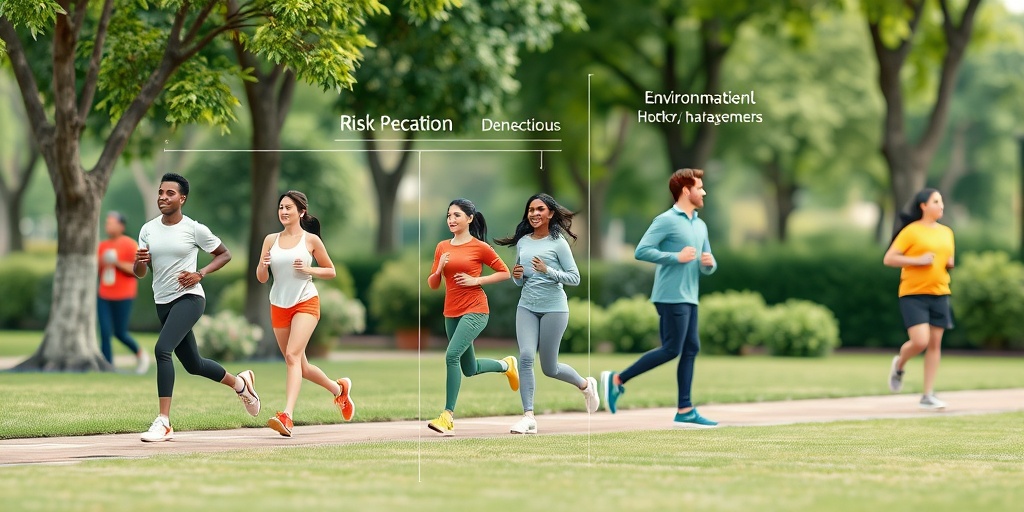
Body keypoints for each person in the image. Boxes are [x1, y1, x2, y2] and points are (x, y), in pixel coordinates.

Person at [133, 173, 260, 442]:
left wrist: (200, 273)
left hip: (190, 298)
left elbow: (225, 254)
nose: (163, 197)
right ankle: (241, 384)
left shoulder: (193, 229)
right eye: (160, 192)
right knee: (193, 364)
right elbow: (140, 273)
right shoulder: (147, 229)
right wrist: (140, 262)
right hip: (163, 301)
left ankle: (164, 422)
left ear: (182, 198)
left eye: (170, 193)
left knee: (162, 350)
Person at [600, 168, 719, 428]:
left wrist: (709, 263)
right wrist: (674, 257)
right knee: (672, 348)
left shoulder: (700, 224)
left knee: (690, 349)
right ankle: (618, 379)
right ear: (686, 191)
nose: (703, 192)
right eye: (699, 187)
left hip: (690, 296)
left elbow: (706, 263)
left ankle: (685, 410)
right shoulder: (666, 220)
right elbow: (642, 251)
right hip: (670, 296)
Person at [495, 193, 599, 434]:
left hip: (554, 309)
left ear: (550, 213)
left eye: (539, 209)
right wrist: (517, 276)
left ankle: (585, 385)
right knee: (526, 357)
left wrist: (547, 270)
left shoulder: (558, 243)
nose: (534, 213)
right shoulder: (523, 242)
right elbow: (521, 281)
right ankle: (528, 416)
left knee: (549, 368)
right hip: (527, 307)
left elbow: (574, 278)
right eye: (530, 209)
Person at [257, 190, 355, 437]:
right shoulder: (270, 239)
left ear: (301, 212)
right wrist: (262, 265)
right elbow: (261, 279)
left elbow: (331, 270)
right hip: (278, 304)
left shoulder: (310, 240)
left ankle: (287, 416)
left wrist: (309, 269)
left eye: (288, 207)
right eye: (280, 207)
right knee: (301, 365)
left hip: (305, 301)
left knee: (291, 356)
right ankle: (338, 390)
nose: (283, 211)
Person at [426, 198, 519, 435]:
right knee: (469, 368)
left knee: (451, 356)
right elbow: (434, 284)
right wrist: (439, 269)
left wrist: (476, 280)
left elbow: (504, 273)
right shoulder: (442, 247)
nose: (451, 220)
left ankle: (447, 416)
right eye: (448, 216)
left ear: (469, 218)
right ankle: (505, 365)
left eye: (456, 215)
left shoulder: (480, 247)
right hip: (451, 312)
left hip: (476, 309)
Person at [884, 188, 955, 410]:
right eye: (936, 201)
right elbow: (889, 259)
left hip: (940, 293)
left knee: (934, 345)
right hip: (913, 294)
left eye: (942, 201)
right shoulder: (911, 231)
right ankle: (900, 364)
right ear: (923, 206)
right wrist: (918, 260)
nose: (941, 205)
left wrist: (948, 263)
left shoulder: (947, 233)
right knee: (920, 341)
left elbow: (948, 259)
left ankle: (928, 395)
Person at [97, 211, 148, 374]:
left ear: (121, 226)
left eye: (111, 222)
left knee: (120, 332)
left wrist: (117, 262)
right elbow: (99, 270)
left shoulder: (129, 244)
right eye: (107, 222)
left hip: (124, 295)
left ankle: (140, 354)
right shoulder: (102, 246)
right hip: (104, 293)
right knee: (105, 331)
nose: (108, 225)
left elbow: (137, 271)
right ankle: (107, 366)